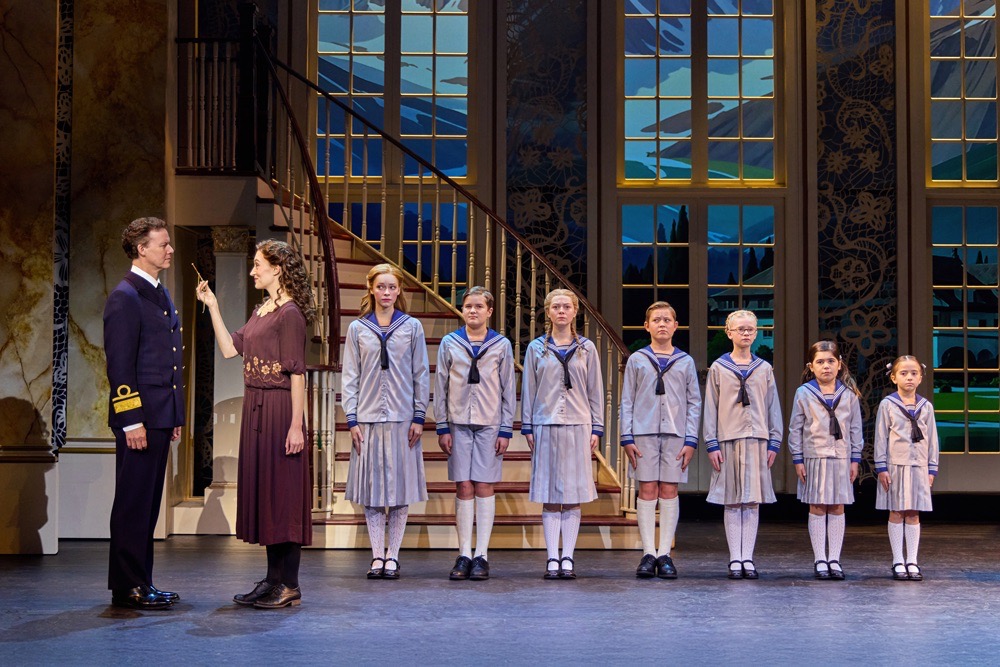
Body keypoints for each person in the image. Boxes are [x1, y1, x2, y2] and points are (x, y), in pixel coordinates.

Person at [196, 239, 315, 608]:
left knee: (285, 496)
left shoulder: (290, 314)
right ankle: (272, 579)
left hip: (280, 409)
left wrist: (297, 425)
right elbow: (231, 350)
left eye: (258, 265)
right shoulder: (263, 309)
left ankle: (290, 583)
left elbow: (297, 373)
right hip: (256, 409)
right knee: (267, 494)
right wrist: (213, 306)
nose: (252, 271)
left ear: (277, 269)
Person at [103, 217, 184, 610]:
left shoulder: (158, 293)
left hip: (159, 417)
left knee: (148, 504)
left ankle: (142, 580)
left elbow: (168, 362)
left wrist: (174, 416)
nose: (169, 250)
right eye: (163, 244)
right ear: (142, 249)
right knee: (133, 502)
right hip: (139, 419)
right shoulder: (126, 295)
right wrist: (131, 419)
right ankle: (126, 586)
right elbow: (120, 366)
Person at [342, 263, 429, 580]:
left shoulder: (412, 327)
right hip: (367, 420)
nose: (387, 293)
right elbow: (350, 375)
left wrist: (419, 415)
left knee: (400, 489)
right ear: (371, 289)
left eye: (392, 287)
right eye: (382, 287)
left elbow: (421, 373)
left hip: (402, 419)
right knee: (373, 491)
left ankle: (394, 555)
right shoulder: (357, 329)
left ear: (399, 290)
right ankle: (377, 555)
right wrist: (351, 417)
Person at [521, 288, 604, 580]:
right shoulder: (536, 348)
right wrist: (527, 425)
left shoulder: (587, 349)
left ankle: (567, 555)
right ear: (548, 311)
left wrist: (597, 427)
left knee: (572, 492)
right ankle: (551, 557)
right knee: (549, 492)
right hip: (545, 423)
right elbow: (529, 389)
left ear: (575, 312)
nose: (561, 311)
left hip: (578, 425)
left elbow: (595, 390)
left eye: (566, 306)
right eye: (556, 306)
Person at [436, 287, 516, 581]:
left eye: (478, 306)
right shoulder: (450, 343)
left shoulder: (501, 345)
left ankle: (481, 554)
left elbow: (509, 389)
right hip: (458, 424)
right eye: (468, 306)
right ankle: (464, 553)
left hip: (489, 423)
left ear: (489, 311)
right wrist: (442, 425)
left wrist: (506, 428)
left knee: (483, 485)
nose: (472, 311)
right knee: (463, 486)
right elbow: (441, 386)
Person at [619, 301, 701, 579]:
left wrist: (691, 439)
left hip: (676, 434)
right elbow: (627, 399)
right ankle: (647, 553)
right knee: (647, 490)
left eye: (668, 320)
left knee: (669, 490)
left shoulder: (685, 361)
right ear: (647, 326)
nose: (662, 324)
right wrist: (626, 436)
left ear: (676, 326)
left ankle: (664, 553)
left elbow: (693, 403)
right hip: (643, 433)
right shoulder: (637, 359)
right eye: (657, 320)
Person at [703, 309, 782, 580]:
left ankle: (747, 556)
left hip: (757, 439)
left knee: (752, 500)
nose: (746, 333)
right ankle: (734, 558)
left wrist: (774, 441)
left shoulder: (764, 368)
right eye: (740, 329)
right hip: (728, 438)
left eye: (750, 329)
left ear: (756, 332)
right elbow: (710, 407)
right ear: (729, 333)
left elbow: (773, 407)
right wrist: (711, 443)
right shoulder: (719, 367)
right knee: (732, 499)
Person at [787, 340, 863, 580]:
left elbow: (855, 429)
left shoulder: (848, 395)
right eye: (820, 362)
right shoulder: (804, 393)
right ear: (811, 366)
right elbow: (796, 428)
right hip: (815, 456)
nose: (826, 366)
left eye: (831, 361)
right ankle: (820, 558)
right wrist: (798, 459)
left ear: (839, 365)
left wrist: (854, 460)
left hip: (841, 457)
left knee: (838, 506)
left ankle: (835, 559)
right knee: (818, 506)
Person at [875, 355, 939, 582]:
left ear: (921, 378)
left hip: (919, 467)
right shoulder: (888, 404)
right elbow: (881, 437)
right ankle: (897, 560)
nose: (909, 378)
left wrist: (932, 469)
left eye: (913, 374)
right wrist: (881, 467)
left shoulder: (926, 407)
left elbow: (932, 439)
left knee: (913, 513)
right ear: (894, 377)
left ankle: (912, 559)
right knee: (897, 511)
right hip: (895, 467)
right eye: (903, 373)